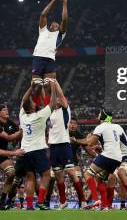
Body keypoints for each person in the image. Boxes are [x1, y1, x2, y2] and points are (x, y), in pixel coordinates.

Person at [19, 79, 59, 210]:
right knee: (46, 174)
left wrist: (31, 88)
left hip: (25, 151)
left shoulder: (23, 117)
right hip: (37, 150)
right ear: (31, 107)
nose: (34, 101)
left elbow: (22, 102)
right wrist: (53, 87)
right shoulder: (40, 116)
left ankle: (29, 205)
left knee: (30, 178)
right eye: (32, 102)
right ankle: (41, 202)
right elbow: (52, 103)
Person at [47, 80, 87, 209]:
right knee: (58, 175)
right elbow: (50, 100)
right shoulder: (50, 112)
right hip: (53, 147)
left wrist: (55, 82)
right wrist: (52, 89)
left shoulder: (65, 110)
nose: (58, 100)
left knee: (71, 172)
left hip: (64, 145)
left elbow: (62, 96)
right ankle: (63, 202)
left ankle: (83, 200)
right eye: (56, 99)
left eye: (60, 99)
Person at [31, 0, 68, 107]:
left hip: (50, 60)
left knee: (49, 86)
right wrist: (54, 0)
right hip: (38, 58)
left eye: (57, 24)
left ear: (59, 28)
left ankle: (50, 108)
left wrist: (65, 1)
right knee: (36, 86)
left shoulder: (60, 35)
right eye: (53, 23)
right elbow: (43, 15)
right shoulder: (43, 30)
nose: (54, 24)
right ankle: (39, 107)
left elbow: (65, 19)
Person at [83, 109, 123, 210]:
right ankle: (105, 205)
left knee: (88, 174)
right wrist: (100, 148)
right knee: (100, 179)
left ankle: (96, 199)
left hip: (108, 155)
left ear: (103, 116)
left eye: (100, 113)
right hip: (117, 157)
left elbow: (90, 143)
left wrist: (87, 139)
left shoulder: (100, 127)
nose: (98, 114)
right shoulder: (115, 126)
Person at [109, 124, 127, 210]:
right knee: (111, 177)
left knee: (121, 172)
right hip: (118, 158)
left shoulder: (116, 129)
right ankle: (110, 205)